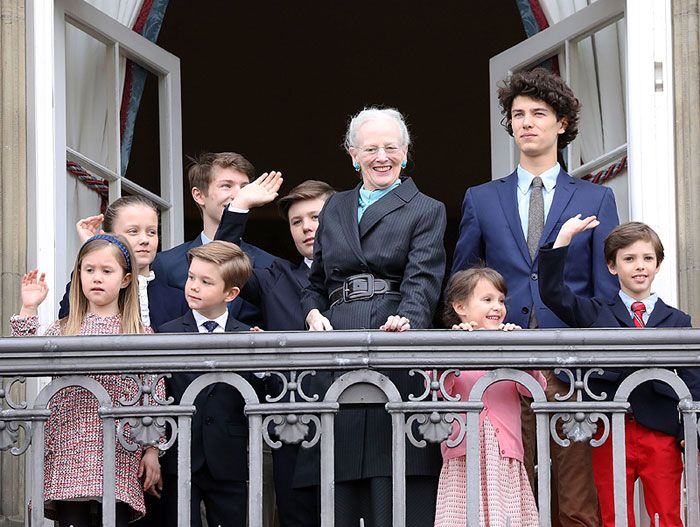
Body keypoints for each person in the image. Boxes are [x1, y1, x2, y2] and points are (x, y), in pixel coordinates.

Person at [451, 67, 619, 527]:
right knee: (513, 489)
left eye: (538, 113)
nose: (525, 121)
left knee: (575, 497)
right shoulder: (481, 198)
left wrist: (598, 361)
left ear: (561, 123)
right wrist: (463, 323)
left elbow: (602, 293)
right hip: (502, 365)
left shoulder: (596, 198)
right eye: (517, 114)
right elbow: (464, 276)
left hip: (569, 368)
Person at [299, 107, 447, 527]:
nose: (382, 156)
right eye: (370, 148)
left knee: (395, 477)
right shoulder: (334, 207)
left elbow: (424, 278)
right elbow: (315, 281)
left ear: (406, 153)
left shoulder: (426, 208)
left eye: (391, 147)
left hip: (394, 339)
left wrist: (408, 320)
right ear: (352, 155)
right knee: (337, 480)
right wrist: (311, 311)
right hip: (336, 343)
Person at [539, 219, 700, 527]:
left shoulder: (678, 319)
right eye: (629, 259)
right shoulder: (597, 311)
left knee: (666, 514)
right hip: (609, 431)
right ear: (612, 267)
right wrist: (563, 239)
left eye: (647, 258)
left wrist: (689, 434)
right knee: (614, 515)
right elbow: (553, 293)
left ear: (658, 264)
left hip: (661, 433)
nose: (639, 266)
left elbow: (694, 382)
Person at [11, 235, 162, 526]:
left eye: (107, 271)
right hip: (68, 446)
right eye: (89, 269)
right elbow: (22, 360)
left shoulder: (139, 333)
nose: (96, 278)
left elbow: (153, 396)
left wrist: (153, 450)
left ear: (126, 279)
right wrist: (29, 309)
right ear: (78, 274)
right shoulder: (63, 329)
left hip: (120, 446)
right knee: (72, 519)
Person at [217, 179, 336, 527]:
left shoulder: (364, 276)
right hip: (292, 420)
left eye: (316, 217)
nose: (307, 227)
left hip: (351, 415)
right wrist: (240, 206)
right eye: (297, 222)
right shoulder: (276, 277)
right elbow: (223, 261)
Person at [158, 241, 263, 527]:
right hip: (180, 453)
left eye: (205, 282)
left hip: (228, 456)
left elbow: (259, 394)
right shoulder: (166, 333)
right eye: (191, 277)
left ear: (231, 293)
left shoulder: (248, 337)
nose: (194, 286)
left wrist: (262, 362)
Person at [435, 268, 545, 527]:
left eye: (501, 300)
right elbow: (439, 388)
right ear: (460, 306)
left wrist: (518, 350)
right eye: (487, 300)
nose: (497, 307)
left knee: (505, 517)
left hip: (503, 456)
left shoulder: (508, 344)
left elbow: (533, 389)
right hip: (464, 456)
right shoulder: (451, 343)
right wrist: (455, 348)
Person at [151, 152, 280, 326]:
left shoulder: (270, 265)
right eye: (226, 186)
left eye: (244, 188)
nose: (238, 195)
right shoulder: (165, 264)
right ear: (198, 195)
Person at [59, 195, 188, 332]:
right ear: (109, 236)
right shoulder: (99, 291)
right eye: (133, 231)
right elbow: (70, 317)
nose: (144, 239)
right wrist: (94, 250)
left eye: (152, 232)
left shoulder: (177, 300)